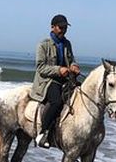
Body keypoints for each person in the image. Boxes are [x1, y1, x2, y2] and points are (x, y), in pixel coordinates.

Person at [30, 14, 81, 148]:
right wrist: (59, 70)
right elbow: (40, 67)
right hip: (47, 81)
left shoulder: (67, 43)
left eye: (65, 28)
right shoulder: (43, 45)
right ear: (53, 27)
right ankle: (42, 133)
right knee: (56, 102)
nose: (63, 30)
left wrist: (74, 66)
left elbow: (71, 60)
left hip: (65, 80)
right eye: (61, 27)